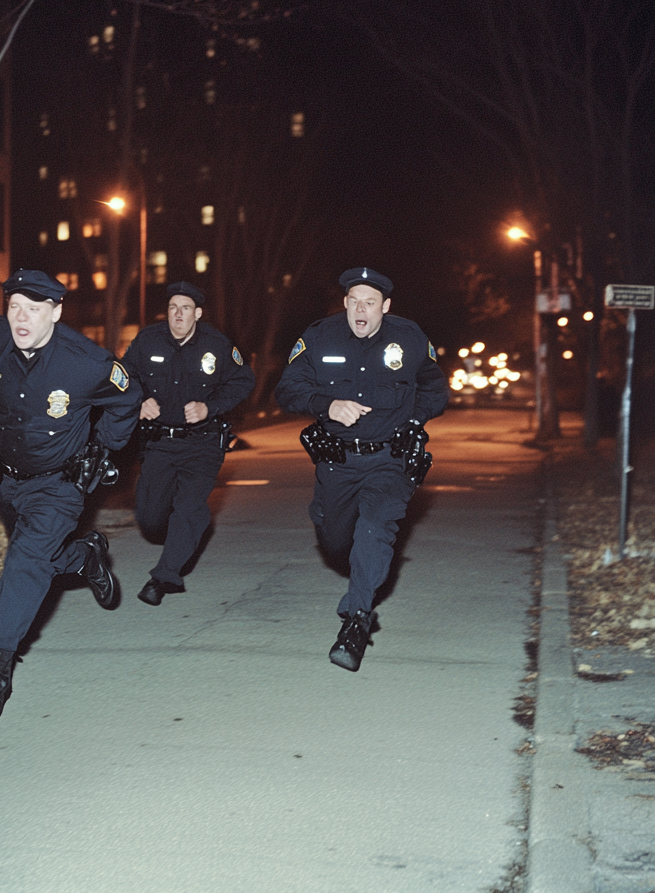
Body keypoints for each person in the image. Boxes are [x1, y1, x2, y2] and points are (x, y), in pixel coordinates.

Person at [0, 269, 141, 720]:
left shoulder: (86, 361)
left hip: (59, 483)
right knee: (41, 558)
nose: (22, 319)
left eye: (34, 310)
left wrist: (102, 448)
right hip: (5, 479)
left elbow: (127, 399)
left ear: (56, 313)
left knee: (24, 561)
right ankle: (84, 557)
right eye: (15, 307)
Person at [275, 268, 448, 671]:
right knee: (335, 541)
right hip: (338, 461)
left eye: (369, 302)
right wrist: (326, 404)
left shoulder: (409, 338)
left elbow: (435, 390)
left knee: (375, 527)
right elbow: (287, 389)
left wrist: (413, 419)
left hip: (390, 459)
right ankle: (344, 555)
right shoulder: (319, 337)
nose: (360, 309)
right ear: (345, 303)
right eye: (354, 300)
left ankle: (356, 620)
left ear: (385, 307)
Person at [122, 280, 254, 605]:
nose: (177, 315)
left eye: (184, 309)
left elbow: (242, 380)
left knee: (187, 508)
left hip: (203, 443)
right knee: (151, 520)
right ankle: (193, 526)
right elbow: (123, 375)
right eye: (172, 308)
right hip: (159, 443)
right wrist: (138, 400)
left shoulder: (217, 345)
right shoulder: (147, 340)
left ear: (197, 313)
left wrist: (211, 407)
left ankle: (164, 576)